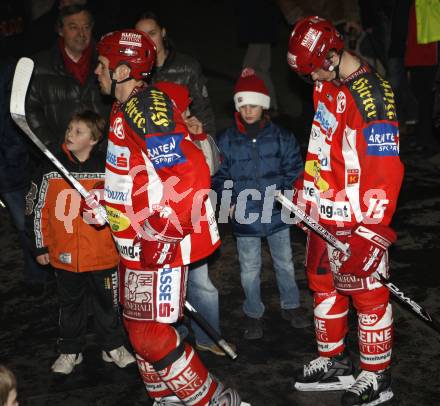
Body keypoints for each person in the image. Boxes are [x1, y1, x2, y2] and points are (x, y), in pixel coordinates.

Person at [94, 29, 248, 405]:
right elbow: (134, 173)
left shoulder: (144, 107)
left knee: (147, 332)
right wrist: (103, 199)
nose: (95, 71)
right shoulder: (122, 108)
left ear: (122, 70)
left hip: (159, 238)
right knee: (138, 326)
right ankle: (168, 398)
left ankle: (214, 399)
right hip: (134, 240)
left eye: (102, 65)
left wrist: (162, 230)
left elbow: (190, 174)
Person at [287, 16, 404, 405]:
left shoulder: (372, 96)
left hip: (357, 217)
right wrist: (307, 184)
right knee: (323, 287)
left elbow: (385, 170)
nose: (311, 80)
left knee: (368, 295)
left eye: (313, 70)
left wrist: (374, 231)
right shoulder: (326, 82)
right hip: (324, 210)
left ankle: (376, 375)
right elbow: (320, 138)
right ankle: (334, 360)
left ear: (334, 55)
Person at [25, 110, 135, 375]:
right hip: (65, 255)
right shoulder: (50, 167)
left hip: (103, 255)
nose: (69, 135)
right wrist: (40, 246)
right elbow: (35, 208)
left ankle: (112, 346)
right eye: (69, 129)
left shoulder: (109, 169)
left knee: (107, 304)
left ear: (94, 139)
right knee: (70, 305)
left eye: (78, 131)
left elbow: (123, 209)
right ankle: (69, 350)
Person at [212, 68, 310, 340]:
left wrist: (289, 195)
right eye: (243, 105)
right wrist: (229, 200)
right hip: (245, 214)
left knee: (285, 263)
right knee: (250, 268)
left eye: (254, 104)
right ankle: (253, 312)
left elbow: (295, 168)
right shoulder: (227, 140)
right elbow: (220, 175)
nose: (248, 110)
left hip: (278, 212)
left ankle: (291, 305)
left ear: (264, 105)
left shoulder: (281, 137)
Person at [153, 80, 231, 356]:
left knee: (202, 285)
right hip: (163, 226)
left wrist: (198, 137)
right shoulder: (154, 136)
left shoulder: (191, 132)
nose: (188, 115)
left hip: (193, 226)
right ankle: (168, 338)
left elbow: (210, 169)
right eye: (183, 110)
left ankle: (208, 336)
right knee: (166, 289)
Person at [25, 4, 111, 150]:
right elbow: (30, 112)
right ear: (60, 30)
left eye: (86, 27)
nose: (81, 34)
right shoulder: (38, 66)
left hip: (103, 156)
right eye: (73, 27)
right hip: (57, 159)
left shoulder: (107, 61)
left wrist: (105, 148)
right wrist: (54, 150)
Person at [0, 56, 48, 295]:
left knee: (29, 221)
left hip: (18, 162)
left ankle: (42, 272)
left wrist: (15, 152)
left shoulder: (9, 71)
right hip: (7, 167)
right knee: (22, 223)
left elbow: (17, 114)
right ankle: (36, 274)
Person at [134, 11, 216, 137]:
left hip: (182, 143)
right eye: (142, 36)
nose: (148, 40)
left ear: (163, 33)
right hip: (146, 145)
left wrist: (209, 148)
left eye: (152, 33)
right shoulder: (132, 70)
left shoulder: (187, 67)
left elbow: (203, 114)